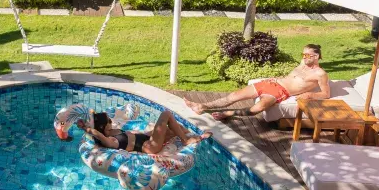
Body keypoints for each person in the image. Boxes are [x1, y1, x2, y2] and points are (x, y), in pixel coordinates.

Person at [188, 43, 331, 117]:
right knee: (235, 95)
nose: (304, 58)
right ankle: (202, 105)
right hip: (272, 83)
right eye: (303, 55)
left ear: (316, 57)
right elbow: (291, 77)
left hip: (280, 92)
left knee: (257, 108)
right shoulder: (302, 63)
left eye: (308, 55)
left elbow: (326, 94)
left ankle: (228, 113)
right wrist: (276, 78)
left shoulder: (320, 74)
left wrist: (309, 94)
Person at [81, 109, 209, 154]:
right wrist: (87, 129)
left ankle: (193, 136)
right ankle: (186, 141)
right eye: (109, 121)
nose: (111, 121)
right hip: (150, 146)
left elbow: (94, 118)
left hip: (147, 138)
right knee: (166, 114)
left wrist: (89, 120)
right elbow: (98, 135)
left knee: (175, 127)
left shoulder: (114, 131)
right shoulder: (111, 141)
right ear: (103, 127)